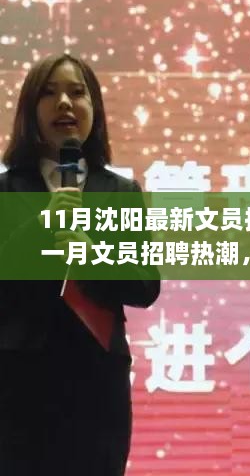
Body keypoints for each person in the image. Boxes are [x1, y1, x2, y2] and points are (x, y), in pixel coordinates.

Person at [0, 54, 160, 476]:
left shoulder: (121, 191)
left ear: (95, 108)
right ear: (30, 110)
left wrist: (94, 257)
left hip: (97, 385)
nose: (64, 104)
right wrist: (41, 226)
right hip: (17, 384)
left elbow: (145, 285)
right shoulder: (6, 190)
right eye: (50, 93)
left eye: (77, 92)